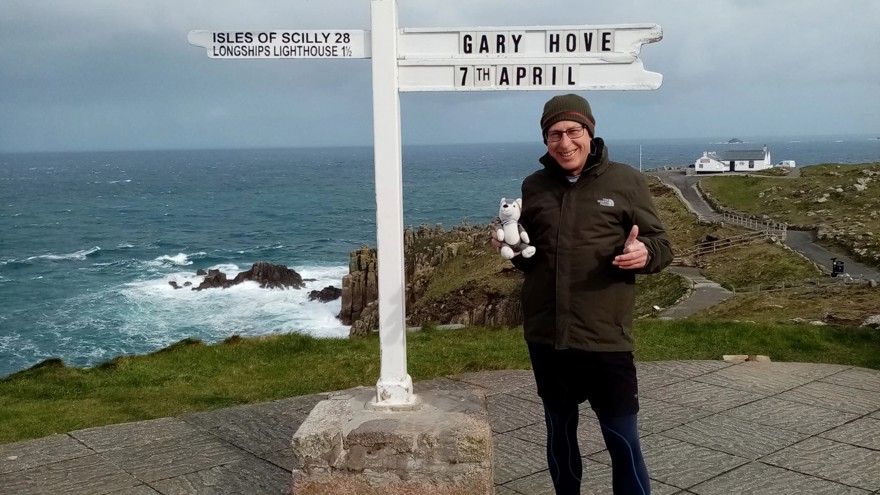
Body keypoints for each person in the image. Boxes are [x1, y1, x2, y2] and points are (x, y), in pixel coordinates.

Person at [505, 94, 673, 495]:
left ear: (590, 132)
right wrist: (516, 253)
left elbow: (662, 244)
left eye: (572, 132)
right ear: (545, 140)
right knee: (559, 434)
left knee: (623, 441)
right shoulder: (534, 186)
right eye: (554, 134)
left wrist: (644, 253)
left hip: (605, 337)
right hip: (548, 336)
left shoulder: (626, 181)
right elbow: (532, 256)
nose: (564, 143)